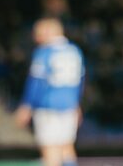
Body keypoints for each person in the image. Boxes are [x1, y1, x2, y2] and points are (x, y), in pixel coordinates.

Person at [14, 18, 84, 166]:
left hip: (47, 106)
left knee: (50, 150)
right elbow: (79, 81)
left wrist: (27, 105)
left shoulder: (44, 52)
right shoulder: (75, 51)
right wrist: (76, 104)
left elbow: (36, 82)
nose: (35, 38)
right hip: (68, 106)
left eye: (38, 33)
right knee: (66, 147)